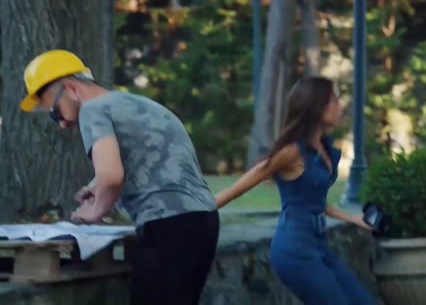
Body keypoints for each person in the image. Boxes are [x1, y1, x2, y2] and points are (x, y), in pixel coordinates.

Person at [20, 50, 219, 305]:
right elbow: (150, 158)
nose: (61, 124)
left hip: (167, 225)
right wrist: (97, 188)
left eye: (55, 112)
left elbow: (111, 176)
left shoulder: (92, 110)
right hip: (203, 221)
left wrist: (95, 212)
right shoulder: (136, 104)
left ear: (71, 88)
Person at [215, 76, 376, 305]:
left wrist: (353, 218)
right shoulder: (293, 152)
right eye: (334, 101)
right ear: (316, 106)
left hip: (318, 245)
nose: (340, 107)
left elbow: (312, 201)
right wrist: (205, 208)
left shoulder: (322, 148)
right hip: (295, 250)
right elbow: (251, 178)